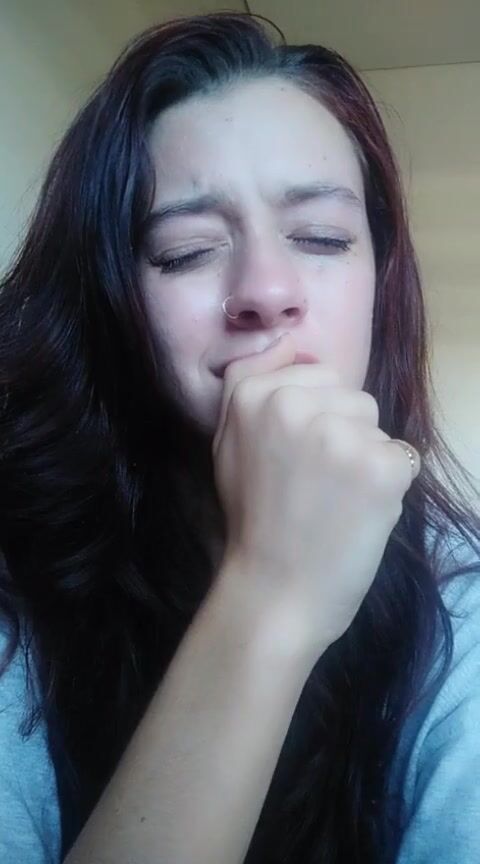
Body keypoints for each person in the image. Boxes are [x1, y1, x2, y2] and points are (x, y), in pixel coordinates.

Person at [0, 10, 479, 864]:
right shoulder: (16, 594)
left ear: (380, 280)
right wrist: (269, 596)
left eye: (322, 236)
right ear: (108, 303)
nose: (265, 289)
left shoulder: (461, 606)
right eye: (186, 250)